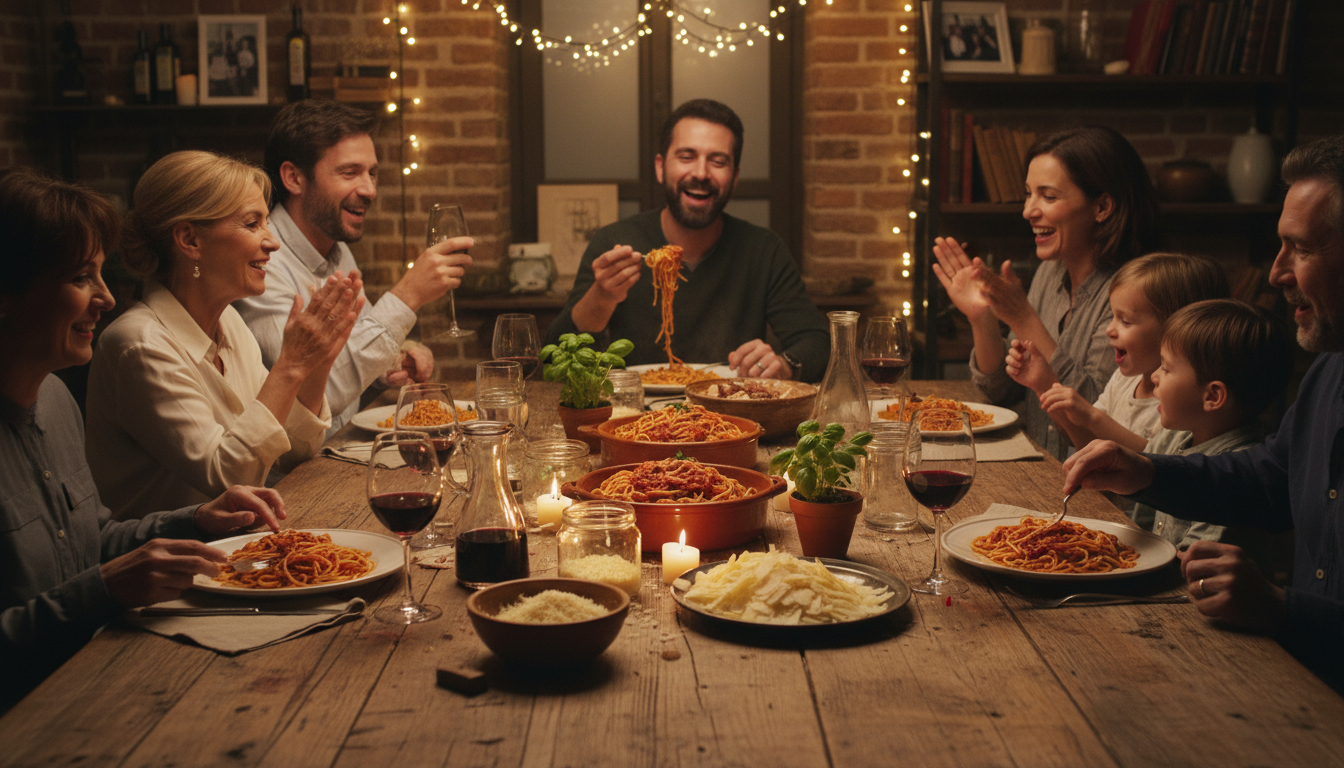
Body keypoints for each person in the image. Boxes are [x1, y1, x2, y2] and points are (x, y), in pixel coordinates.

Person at [1062, 135, 1344, 693]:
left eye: (1301, 249)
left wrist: (1283, 609)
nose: (1276, 272)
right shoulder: (1328, 373)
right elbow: (1268, 480)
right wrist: (1148, 473)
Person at [0, 168, 288, 708]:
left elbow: (92, 540)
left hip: (102, 674)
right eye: (81, 277)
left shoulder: (57, 401)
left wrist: (195, 520)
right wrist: (104, 590)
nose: (107, 298)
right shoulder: (136, 342)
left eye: (102, 275)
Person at [85, 151, 359, 520]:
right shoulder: (139, 344)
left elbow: (295, 450)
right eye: (252, 224)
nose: (272, 242)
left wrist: (316, 362)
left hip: (230, 551)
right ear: (190, 240)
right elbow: (230, 479)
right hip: (167, 568)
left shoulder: (228, 322)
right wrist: (291, 365)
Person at [233, 100, 473, 435]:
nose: (370, 190)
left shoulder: (336, 247)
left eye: (372, 173)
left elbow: (351, 355)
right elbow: (314, 399)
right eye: (350, 173)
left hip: (338, 455)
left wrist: (387, 372)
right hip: (289, 479)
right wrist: (407, 296)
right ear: (294, 178)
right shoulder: (262, 262)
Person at [545, 98, 829, 382]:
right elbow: (554, 358)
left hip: (733, 413)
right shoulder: (616, 241)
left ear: (735, 177)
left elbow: (818, 343)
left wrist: (784, 364)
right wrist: (602, 296)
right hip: (632, 415)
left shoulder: (763, 250)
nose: (701, 173)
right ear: (660, 167)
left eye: (718, 161)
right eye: (686, 157)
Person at [933, 125, 1160, 459]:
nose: (1028, 211)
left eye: (1048, 196)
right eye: (1028, 194)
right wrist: (981, 317)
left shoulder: (1134, 292)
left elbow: (1097, 415)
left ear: (1102, 207)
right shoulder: (1049, 274)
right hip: (1044, 473)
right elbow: (1000, 392)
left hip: (1103, 492)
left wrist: (1023, 317)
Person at [1007, 252, 1228, 455]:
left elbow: (1158, 465)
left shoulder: (1183, 401)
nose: (1109, 330)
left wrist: (1093, 417)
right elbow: (1088, 443)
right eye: (1112, 316)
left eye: (1125, 321)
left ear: (1175, 329)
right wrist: (1045, 384)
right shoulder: (1123, 380)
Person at [1135, 300, 1294, 576]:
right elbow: (1141, 527)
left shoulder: (1242, 480)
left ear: (1213, 396)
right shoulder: (1171, 437)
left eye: (1166, 368)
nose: (1154, 376)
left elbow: (1187, 569)